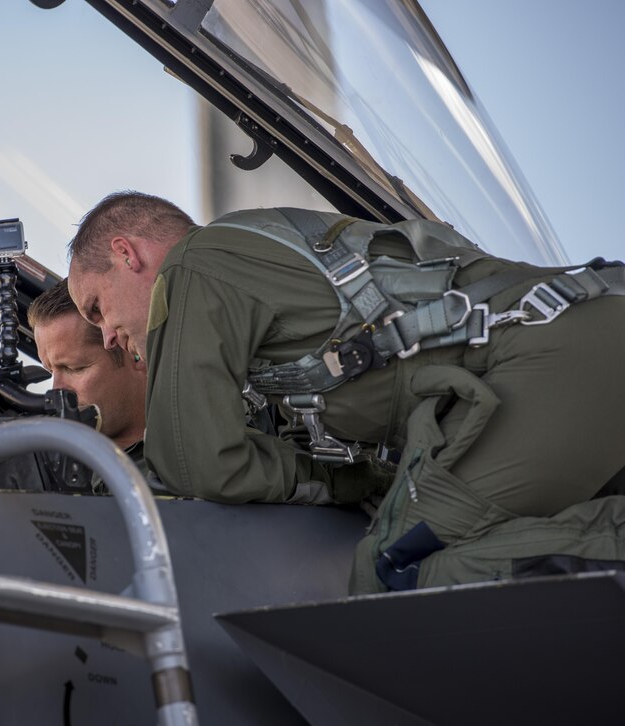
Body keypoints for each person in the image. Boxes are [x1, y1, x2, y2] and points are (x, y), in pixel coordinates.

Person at [67, 190, 625, 593]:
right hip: (579, 339)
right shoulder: (260, 257)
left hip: (543, 364)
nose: (108, 334)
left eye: (97, 307)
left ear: (126, 253)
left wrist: (342, 482)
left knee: (392, 576)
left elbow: (194, 461)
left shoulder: (196, 265)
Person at [29, 278, 148, 469]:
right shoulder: (50, 468)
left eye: (75, 368)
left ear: (136, 354)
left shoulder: (194, 453)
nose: (57, 390)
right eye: (51, 371)